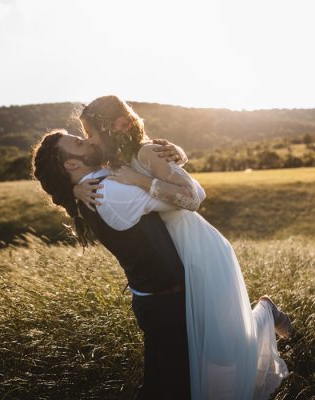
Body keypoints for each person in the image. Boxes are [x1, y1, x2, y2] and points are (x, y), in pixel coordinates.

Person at [74, 95, 292, 399]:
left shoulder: (146, 151)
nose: (89, 141)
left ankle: (267, 311)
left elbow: (193, 198)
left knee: (226, 344)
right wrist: (75, 187)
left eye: (91, 134)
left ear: (117, 127)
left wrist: (139, 179)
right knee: (205, 340)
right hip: (175, 251)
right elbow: (82, 170)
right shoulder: (116, 159)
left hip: (199, 248)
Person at [31, 129, 198, 399]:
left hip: (153, 299)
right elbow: (185, 199)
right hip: (167, 303)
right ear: (71, 164)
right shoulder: (108, 190)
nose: (88, 140)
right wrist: (147, 175)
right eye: (79, 142)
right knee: (178, 386)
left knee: (159, 386)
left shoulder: (95, 186)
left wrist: (178, 153)